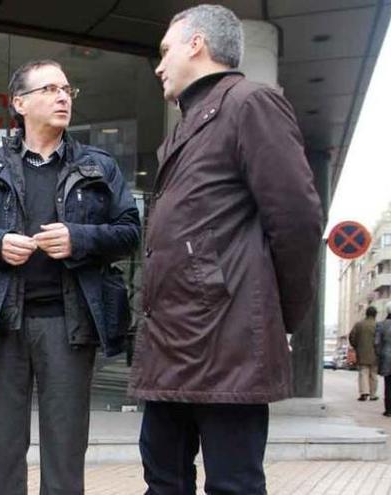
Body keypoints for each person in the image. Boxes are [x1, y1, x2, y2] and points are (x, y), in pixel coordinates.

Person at [127, 5, 324, 494]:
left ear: (197, 44)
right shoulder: (186, 126)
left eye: (165, 50)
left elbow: (297, 219)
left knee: (233, 484)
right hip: (173, 341)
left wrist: (281, 315)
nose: (159, 65)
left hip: (228, 345)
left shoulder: (250, 103)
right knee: (163, 479)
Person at [0, 59, 140, 494]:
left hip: (69, 325)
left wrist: (80, 238)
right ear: (20, 103)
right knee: (6, 447)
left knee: (67, 448)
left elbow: (130, 231)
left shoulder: (98, 166)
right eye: (50, 89)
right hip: (4, 322)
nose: (62, 97)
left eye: (67, 90)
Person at [351, 306, 380, 401]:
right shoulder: (377, 325)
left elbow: (352, 337)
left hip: (362, 353)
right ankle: (373, 394)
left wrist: (356, 346)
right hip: (375, 354)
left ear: (366, 314)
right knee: (373, 374)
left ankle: (364, 393)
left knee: (363, 372)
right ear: (375, 315)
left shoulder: (359, 325)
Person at [375, 303, 391, 416]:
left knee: (388, 384)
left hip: (386, 357)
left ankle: (389, 410)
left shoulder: (381, 325)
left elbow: (376, 342)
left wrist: (379, 354)